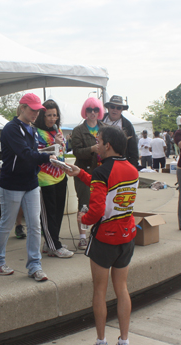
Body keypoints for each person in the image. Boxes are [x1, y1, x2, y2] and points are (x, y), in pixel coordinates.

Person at [62, 126, 138, 345]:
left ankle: (101, 343)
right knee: (122, 289)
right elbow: (106, 186)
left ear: (108, 145)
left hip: (105, 238)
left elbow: (96, 210)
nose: (97, 144)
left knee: (99, 291)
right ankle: (124, 343)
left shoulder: (102, 171)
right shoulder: (132, 169)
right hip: (127, 236)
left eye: (99, 140)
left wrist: (82, 220)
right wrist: (80, 173)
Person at [0, 93, 56, 282]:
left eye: (38, 110)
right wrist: (47, 157)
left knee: (35, 225)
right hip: (12, 183)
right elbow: (25, 153)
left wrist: (48, 153)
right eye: (33, 109)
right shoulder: (11, 128)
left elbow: (31, 154)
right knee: (7, 223)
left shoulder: (32, 129)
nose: (36, 113)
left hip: (31, 182)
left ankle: (35, 265)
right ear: (23, 107)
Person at [34, 99, 74, 258]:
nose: (52, 119)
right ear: (42, 116)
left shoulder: (57, 131)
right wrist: (54, 144)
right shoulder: (36, 131)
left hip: (60, 177)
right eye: (49, 115)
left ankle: (51, 242)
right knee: (48, 214)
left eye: (55, 115)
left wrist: (60, 145)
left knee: (58, 212)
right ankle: (55, 246)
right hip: (45, 179)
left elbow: (61, 154)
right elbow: (36, 153)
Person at [71, 97, 108, 250]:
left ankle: (100, 232)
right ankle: (82, 237)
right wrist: (92, 149)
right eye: (89, 110)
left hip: (102, 172)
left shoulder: (105, 128)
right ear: (85, 111)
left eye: (96, 109)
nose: (93, 113)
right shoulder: (78, 130)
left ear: (100, 111)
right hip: (83, 172)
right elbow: (77, 152)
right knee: (84, 204)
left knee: (102, 204)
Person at [102, 95, 139, 167]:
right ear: (108, 108)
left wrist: (132, 166)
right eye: (112, 107)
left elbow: (133, 148)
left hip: (119, 163)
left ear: (122, 110)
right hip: (100, 161)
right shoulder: (99, 120)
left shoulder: (127, 125)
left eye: (118, 108)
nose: (115, 110)